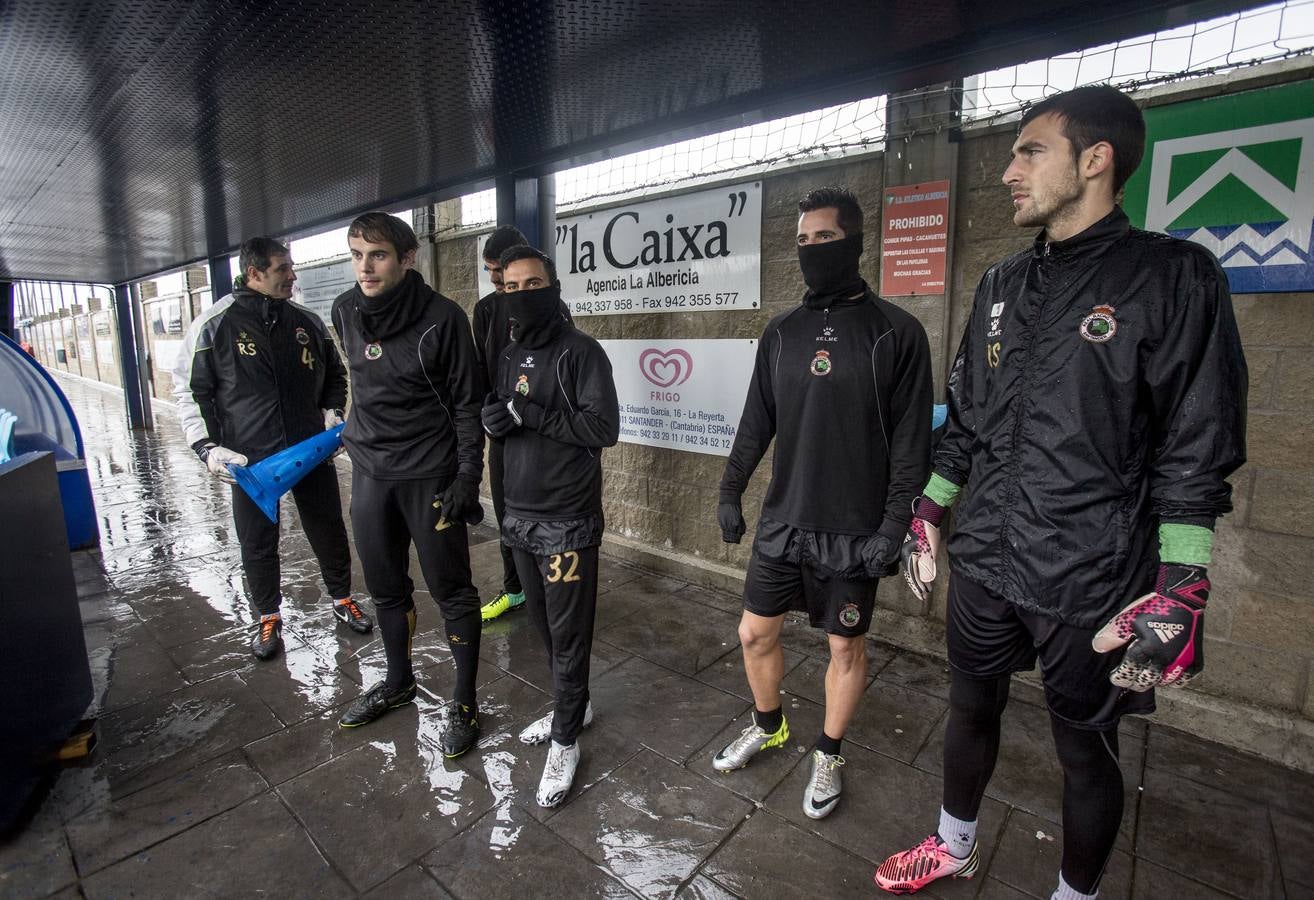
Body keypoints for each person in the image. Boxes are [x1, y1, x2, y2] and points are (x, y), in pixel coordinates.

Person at [875, 86, 1247, 899]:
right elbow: (968, 420)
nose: (1008, 171)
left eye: (1029, 152)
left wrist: (1182, 586)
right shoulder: (1002, 282)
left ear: (1095, 159)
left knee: (1084, 749)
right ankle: (953, 844)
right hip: (984, 560)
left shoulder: (1173, 276)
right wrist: (930, 511)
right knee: (970, 707)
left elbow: (1197, 444)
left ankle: (1074, 895)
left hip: (1092, 577)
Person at [715, 187, 933, 820]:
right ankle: (769, 724)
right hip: (785, 523)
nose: (812, 250)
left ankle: (829, 753)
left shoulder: (897, 332)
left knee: (845, 649)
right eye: (804, 241)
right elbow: (757, 421)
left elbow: (913, 445)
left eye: (825, 239)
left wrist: (894, 527)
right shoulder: (781, 332)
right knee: (754, 633)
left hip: (854, 531)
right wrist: (731, 489)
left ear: (856, 243)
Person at [329, 212, 486, 758]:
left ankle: (463, 702)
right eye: (355, 255)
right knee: (386, 589)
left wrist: (469, 476)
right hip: (371, 475)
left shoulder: (444, 319)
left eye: (377, 255)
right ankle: (398, 683)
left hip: (429, 474)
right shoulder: (345, 310)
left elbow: (469, 405)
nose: (364, 267)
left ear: (408, 257)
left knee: (452, 591)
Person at [173, 237, 371, 661]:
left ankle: (341, 599)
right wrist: (206, 447)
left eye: (291, 266)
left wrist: (333, 411)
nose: (292, 275)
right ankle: (266, 615)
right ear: (255, 273)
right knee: (257, 540)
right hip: (251, 461)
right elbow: (189, 392)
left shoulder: (308, 322)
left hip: (309, 451)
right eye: (283, 268)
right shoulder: (214, 324)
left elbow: (336, 374)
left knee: (329, 527)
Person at [480, 245, 619, 807]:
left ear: (553, 285)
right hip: (520, 516)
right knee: (538, 623)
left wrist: (528, 414)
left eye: (531, 284)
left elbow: (603, 427)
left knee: (568, 633)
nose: (520, 295)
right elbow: (508, 416)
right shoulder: (510, 352)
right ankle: (575, 703)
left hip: (567, 520)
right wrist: (499, 420)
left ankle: (566, 739)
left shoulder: (582, 352)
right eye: (509, 288)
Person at [473, 225, 574, 623]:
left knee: (550, 520)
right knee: (507, 515)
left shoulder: (553, 309)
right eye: (493, 272)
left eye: (501, 270)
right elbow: (479, 373)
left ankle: (554, 591)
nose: (497, 279)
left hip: (545, 433)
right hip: (504, 435)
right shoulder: (485, 310)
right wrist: (488, 414)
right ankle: (515, 589)